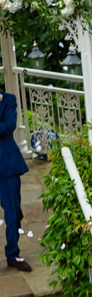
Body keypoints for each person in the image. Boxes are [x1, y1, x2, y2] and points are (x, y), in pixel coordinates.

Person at [0, 91, 30, 272]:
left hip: (7, 164)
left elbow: (8, 126)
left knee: (14, 213)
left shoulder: (8, 99)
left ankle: (12, 255)